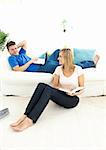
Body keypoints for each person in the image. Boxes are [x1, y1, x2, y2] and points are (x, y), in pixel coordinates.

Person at [10, 48, 84, 132]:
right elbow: (55, 86)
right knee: (41, 85)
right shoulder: (58, 69)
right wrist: (55, 78)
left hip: (72, 99)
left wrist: (74, 93)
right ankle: (25, 114)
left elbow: (82, 88)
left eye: (60, 56)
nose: (57, 58)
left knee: (48, 90)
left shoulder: (78, 69)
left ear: (66, 58)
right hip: (61, 94)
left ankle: (30, 120)